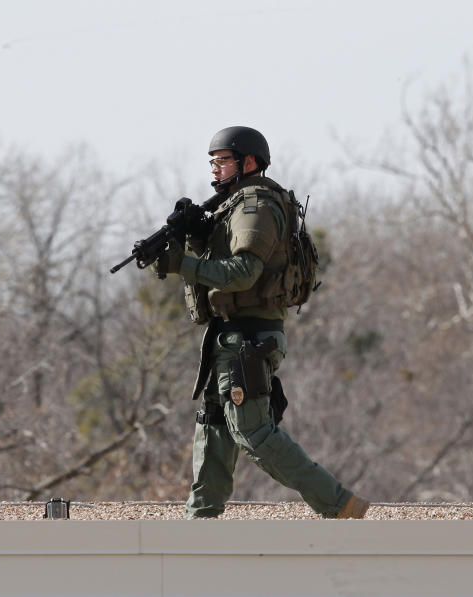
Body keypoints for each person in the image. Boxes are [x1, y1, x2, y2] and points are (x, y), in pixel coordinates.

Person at [154, 126, 370, 519]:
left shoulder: (256, 206)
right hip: (229, 337)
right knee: (215, 426)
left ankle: (339, 504)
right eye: (213, 162)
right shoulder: (231, 207)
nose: (215, 169)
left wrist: (181, 264)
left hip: (249, 338)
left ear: (248, 162)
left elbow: (243, 273)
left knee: (252, 433)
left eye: (223, 160)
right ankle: (201, 518)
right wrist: (198, 237)